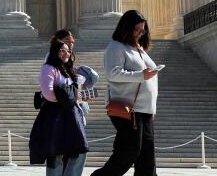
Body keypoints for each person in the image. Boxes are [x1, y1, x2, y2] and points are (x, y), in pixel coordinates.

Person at [91, 11, 160, 176]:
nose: (139, 34)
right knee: (129, 151)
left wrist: (153, 108)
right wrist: (141, 75)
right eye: (136, 30)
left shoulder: (140, 49)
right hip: (128, 109)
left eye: (142, 31)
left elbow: (152, 81)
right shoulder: (116, 46)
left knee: (147, 158)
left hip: (145, 110)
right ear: (126, 28)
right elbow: (112, 73)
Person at [30, 40, 89, 176]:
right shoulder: (49, 68)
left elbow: (71, 94)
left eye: (68, 51)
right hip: (54, 115)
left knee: (79, 151)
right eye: (62, 50)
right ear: (55, 51)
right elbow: (48, 93)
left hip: (71, 115)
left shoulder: (68, 70)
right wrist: (68, 96)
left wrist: (78, 96)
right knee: (55, 154)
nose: (66, 53)